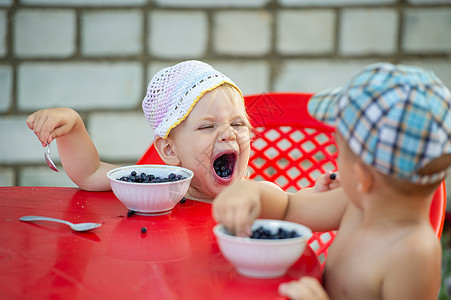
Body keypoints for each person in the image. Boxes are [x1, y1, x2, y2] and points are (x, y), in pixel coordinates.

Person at [213, 62, 451, 299]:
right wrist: (251, 193)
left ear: (363, 178)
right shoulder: (356, 204)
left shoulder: (415, 254)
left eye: (339, 151)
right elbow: (288, 208)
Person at [27, 60, 338, 202]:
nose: (229, 133)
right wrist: (74, 127)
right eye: (207, 126)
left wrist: (324, 194)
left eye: (239, 124)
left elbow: (300, 209)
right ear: (170, 150)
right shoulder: (157, 189)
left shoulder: (260, 196)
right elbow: (91, 172)